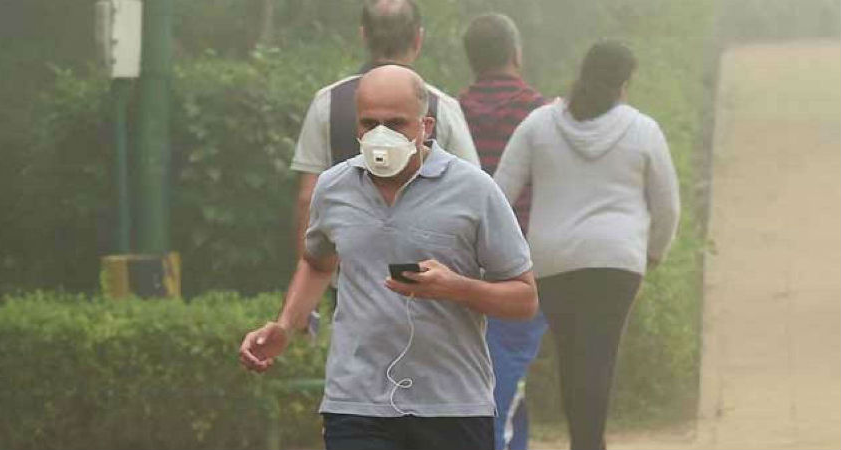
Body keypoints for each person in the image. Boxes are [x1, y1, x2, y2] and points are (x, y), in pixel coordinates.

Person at [240, 65, 538, 450]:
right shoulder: (334, 187)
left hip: (451, 405)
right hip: (356, 402)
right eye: (370, 123)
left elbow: (525, 299)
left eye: (396, 123)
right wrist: (285, 325)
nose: (381, 136)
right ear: (357, 127)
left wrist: (456, 287)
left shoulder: (475, 190)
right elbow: (317, 263)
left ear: (425, 126)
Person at [493, 40, 681, 450]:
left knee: (572, 357)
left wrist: (501, 256)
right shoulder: (642, 130)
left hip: (551, 262)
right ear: (625, 82)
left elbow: (497, 195)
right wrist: (653, 253)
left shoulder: (538, 125)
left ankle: (586, 441)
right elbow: (667, 206)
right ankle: (589, 443)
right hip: (617, 263)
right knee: (599, 356)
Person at [290, 0, 479, 263]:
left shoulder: (327, 102)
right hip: (426, 273)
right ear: (418, 38)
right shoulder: (442, 107)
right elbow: (470, 195)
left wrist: (307, 273)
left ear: (364, 36)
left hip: (346, 274)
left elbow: (307, 198)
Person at [458, 13, 548, 450]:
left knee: (492, 369)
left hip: (463, 263)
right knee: (507, 366)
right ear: (516, 53)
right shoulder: (542, 113)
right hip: (524, 262)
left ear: (472, 60)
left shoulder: (448, 113)